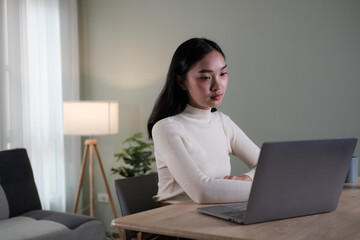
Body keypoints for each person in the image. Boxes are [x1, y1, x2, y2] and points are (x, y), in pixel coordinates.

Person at [147, 38, 260, 205]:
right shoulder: (165, 128)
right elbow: (203, 192)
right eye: (206, 77)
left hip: (213, 215)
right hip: (172, 224)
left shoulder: (222, 122)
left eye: (222, 74)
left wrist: (246, 179)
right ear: (182, 81)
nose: (218, 85)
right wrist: (265, 189)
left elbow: (267, 166)